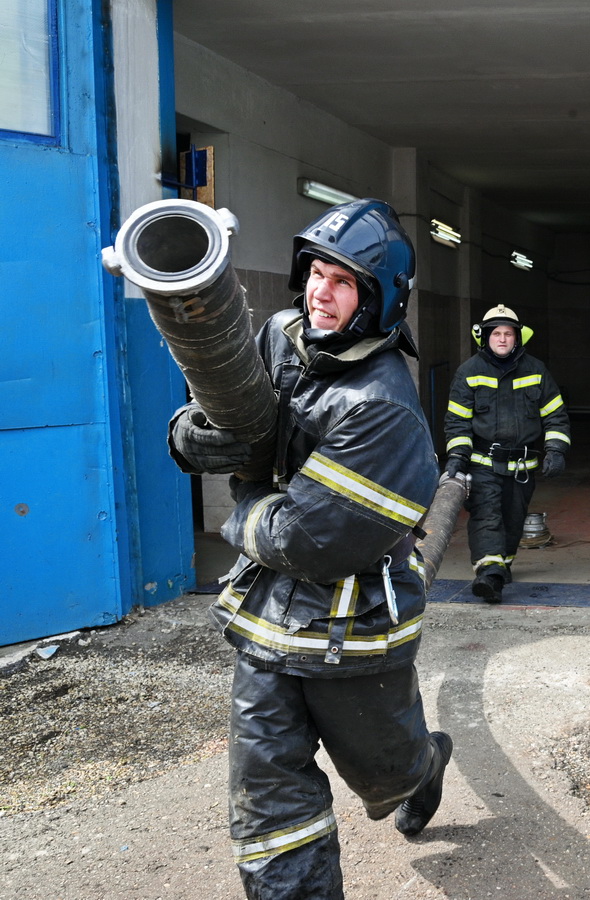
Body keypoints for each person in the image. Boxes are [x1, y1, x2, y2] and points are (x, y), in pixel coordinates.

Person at [167, 199, 453, 898]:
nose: (321, 293)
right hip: (267, 624)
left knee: (385, 775)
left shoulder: (383, 406)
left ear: (378, 300)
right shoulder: (281, 336)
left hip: (352, 633)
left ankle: (422, 768)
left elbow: (306, 540)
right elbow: (226, 414)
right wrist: (189, 434)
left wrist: (242, 507)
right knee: (269, 801)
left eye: (344, 282)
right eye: (317, 274)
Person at [443, 304, 571, 603]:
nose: (502, 339)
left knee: (513, 522)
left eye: (508, 334)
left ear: (517, 338)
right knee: (486, 515)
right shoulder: (469, 372)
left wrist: (556, 449)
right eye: (496, 333)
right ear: (485, 337)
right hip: (482, 464)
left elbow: (555, 415)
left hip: (522, 468)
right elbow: (457, 421)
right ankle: (489, 573)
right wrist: (457, 456)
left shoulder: (536, 370)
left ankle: (501, 567)